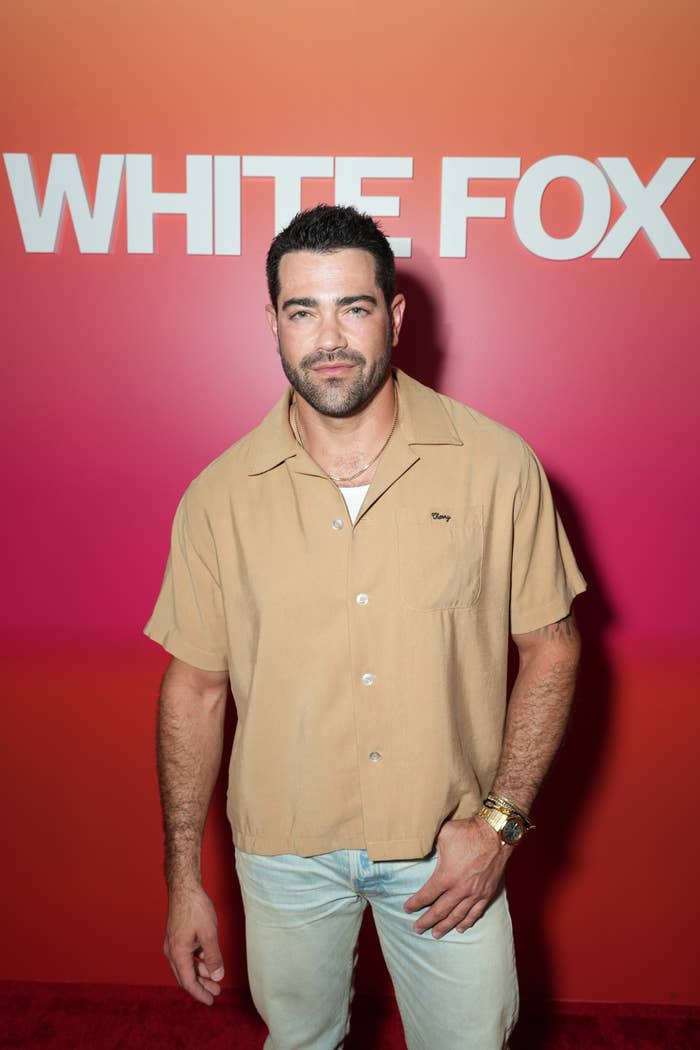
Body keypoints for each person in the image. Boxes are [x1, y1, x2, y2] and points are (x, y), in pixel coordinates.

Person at [144, 204, 586, 1049]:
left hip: (447, 851)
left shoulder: (496, 466)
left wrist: (500, 825)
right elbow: (194, 691)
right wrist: (182, 878)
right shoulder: (219, 496)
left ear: (395, 315)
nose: (330, 337)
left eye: (354, 306)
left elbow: (552, 650)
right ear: (272, 322)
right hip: (282, 854)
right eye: (303, 310)